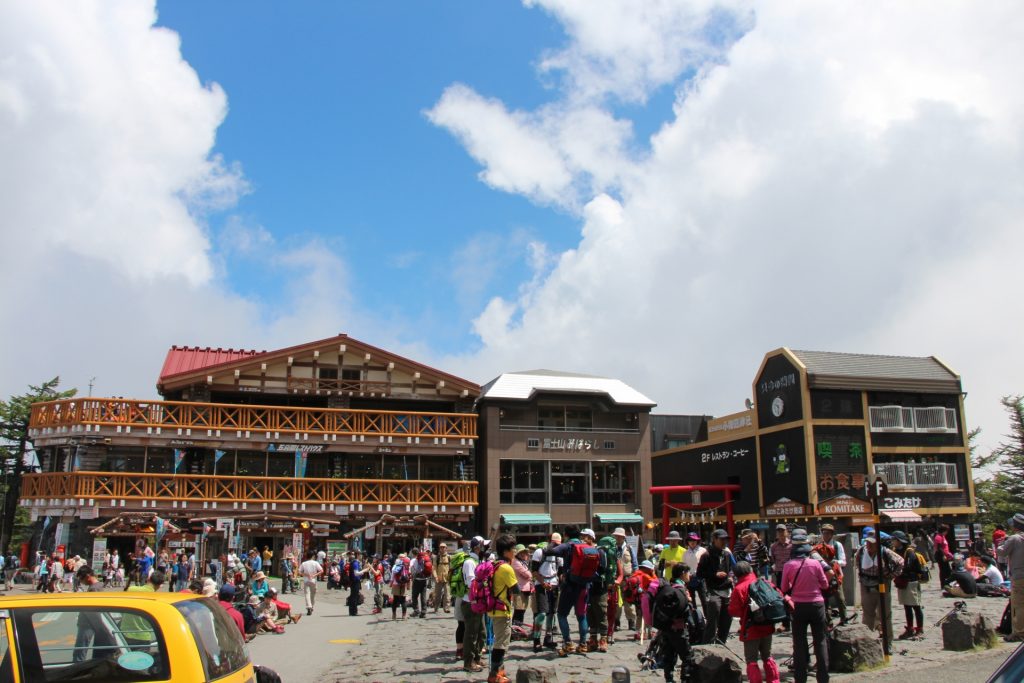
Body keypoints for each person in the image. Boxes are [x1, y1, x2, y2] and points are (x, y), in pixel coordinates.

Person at [544, 526, 605, 656]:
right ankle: (583, 644)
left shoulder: (568, 546)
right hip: (584, 586)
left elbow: (549, 552)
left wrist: (552, 544)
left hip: (569, 586)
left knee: (561, 615)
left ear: (566, 535)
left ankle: (568, 644)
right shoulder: (586, 546)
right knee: (581, 616)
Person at [782, 530, 829, 683]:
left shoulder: (788, 565)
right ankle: (823, 677)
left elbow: (783, 588)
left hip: (798, 606)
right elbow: (825, 584)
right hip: (817, 604)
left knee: (799, 642)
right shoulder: (815, 564)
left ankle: (800, 678)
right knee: (820, 640)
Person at [728, 561, 780, 683]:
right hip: (767, 625)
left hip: (751, 628)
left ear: (736, 574)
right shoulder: (764, 582)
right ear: (750, 570)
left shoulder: (739, 588)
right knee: (767, 655)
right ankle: (774, 680)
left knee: (751, 659)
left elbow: (734, 611)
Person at [856, 529, 903, 649]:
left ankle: (888, 643)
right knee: (867, 614)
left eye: (872, 543)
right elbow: (857, 563)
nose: (869, 545)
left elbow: (901, 562)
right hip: (866, 585)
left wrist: (891, 576)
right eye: (867, 542)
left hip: (882, 584)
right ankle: (866, 642)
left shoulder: (885, 552)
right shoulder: (861, 551)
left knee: (885, 615)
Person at [653, 563, 694, 683]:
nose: (689, 575)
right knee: (687, 656)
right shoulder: (681, 589)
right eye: (687, 572)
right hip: (679, 628)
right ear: (682, 574)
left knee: (669, 656)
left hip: (666, 628)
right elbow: (686, 610)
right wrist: (689, 601)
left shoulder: (669, 587)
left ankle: (669, 680)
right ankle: (685, 680)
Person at [486, 534, 518, 683]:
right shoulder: (506, 568)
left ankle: (500, 672)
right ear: (506, 551)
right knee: (501, 643)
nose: (515, 551)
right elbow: (516, 589)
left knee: (500, 640)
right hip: (502, 609)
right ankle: (495, 675)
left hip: (493, 608)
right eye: (513, 549)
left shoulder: (494, 564)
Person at [696, 528, 734, 645]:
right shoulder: (706, 555)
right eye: (722, 539)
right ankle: (706, 647)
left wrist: (731, 577)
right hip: (713, 590)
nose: (724, 542)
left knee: (727, 620)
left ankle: (721, 645)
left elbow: (732, 569)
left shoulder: (727, 554)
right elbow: (699, 574)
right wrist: (714, 574)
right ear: (714, 539)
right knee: (712, 620)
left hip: (727, 590)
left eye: (726, 539)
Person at [890, 531, 925, 640]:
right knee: (906, 606)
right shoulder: (896, 551)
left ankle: (920, 629)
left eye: (894, 539)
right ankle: (910, 628)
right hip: (902, 582)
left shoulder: (909, 552)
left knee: (916, 606)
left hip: (911, 582)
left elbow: (907, 567)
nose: (892, 542)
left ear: (899, 540)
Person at [530, 533, 562, 652]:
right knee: (542, 613)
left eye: (558, 544)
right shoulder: (539, 552)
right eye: (554, 543)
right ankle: (536, 639)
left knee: (551, 613)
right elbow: (534, 571)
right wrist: (543, 583)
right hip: (541, 585)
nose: (555, 546)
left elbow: (561, 571)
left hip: (554, 584)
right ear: (549, 541)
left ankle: (548, 637)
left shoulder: (559, 555)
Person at [462, 537, 486, 673]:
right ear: (477, 547)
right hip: (470, 602)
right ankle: (468, 662)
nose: (485, 549)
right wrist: (485, 583)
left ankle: (477, 657)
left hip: (478, 602)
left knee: (481, 632)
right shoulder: (470, 562)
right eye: (483, 546)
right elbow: (471, 584)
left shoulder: (477, 560)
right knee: (471, 633)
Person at [815, 524, 848, 622]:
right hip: (823, 576)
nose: (825, 535)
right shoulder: (818, 546)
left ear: (832, 534)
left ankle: (844, 618)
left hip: (835, 576)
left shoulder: (837, 545)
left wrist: (834, 562)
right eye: (824, 533)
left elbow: (844, 561)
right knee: (825, 600)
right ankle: (828, 621)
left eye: (828, 533)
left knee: (840, 599)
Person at [612, 527, 638, 630]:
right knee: (617, 602)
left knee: (629, 601)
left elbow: (635, 564)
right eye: (616, 536)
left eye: (619, 536)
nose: (617, 538)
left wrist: (635, 577)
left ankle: (631, 621)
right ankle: (616, 622)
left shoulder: (629, 548)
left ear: (623, 537)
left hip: (628, 579)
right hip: (616, 579)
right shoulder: (612, 548)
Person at [511, 544, 533, 626]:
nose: (524, 554)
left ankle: (518, 629)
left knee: (522, 610)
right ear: (517, 554)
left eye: (525, 552)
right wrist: (529, 575)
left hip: (525, 589)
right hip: (519, 589)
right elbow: (528, 575)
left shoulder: (522, 562)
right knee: (518, 611)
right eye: (522, 552)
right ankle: (515, 630)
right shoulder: (515, 562)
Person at [298, 549, 323, 616]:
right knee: (313, 595)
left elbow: (299, 572)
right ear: (312, 556)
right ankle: (311, 606)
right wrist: (314, 575)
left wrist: (306, 575)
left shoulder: (304, 563)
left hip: (306, 581)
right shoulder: (315, 563)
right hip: (313, 580)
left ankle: (309, 606)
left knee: (307, 594)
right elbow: (321, 571)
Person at [409, 547, 431, 617]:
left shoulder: (413, 560)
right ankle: (423, 612)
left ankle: (416, 610)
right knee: (423, 596)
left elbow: (411, 571)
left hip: (417, 580)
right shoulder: (424, 559)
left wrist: (412, 576)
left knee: (414, 596)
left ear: (412, 553)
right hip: (424, 580)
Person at [433, 542, 452, 614]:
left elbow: (451, 568)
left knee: (447, 594)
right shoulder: (436, 557)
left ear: (446, 548)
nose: (442, 548)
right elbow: (434, 568)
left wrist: (451, 576)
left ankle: (446, 608)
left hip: (447, 578)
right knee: (437, 594)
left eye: (444, 547)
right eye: (441, 547)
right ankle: (436, 608)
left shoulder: (449, 557)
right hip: (439, 578)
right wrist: (435, 576)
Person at [346, 551, 365, 616]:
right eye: (361, 555)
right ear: (358, 555)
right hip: (355, 581)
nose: (361, 556)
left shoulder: (354, 562)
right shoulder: (355, 563)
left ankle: (352, 611)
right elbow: (356, 573)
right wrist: (363, 571)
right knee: (354, 596)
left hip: (353, 581)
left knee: (353, 595)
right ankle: (354, 611)